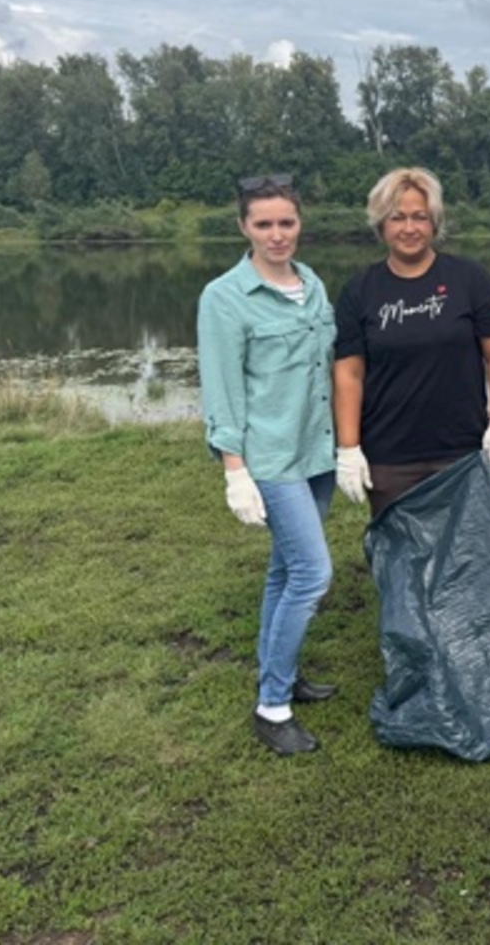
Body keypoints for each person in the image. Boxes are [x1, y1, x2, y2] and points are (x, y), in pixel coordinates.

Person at [197, 174, 339, 756]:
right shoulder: (225, 297)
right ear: (243, 228)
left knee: (284, 571)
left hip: (318, 453)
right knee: (312, 574)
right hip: (271, 459)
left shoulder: (312, 284)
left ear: (299, 224)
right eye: (264, 224)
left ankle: (279, 671)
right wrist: (234, 469)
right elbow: (223, 389)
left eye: (287, 223)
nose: (277, 235)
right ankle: (271, 706)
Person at [331, 168, 490, 518]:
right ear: (381, 224)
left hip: (464, 450)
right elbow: (349, 374)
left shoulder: (469, 279)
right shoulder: (360, 291)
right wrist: (349, 448)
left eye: (420, 217)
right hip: (390, 458)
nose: (409, 228)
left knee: (474, 561)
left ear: (435, 223)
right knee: (403, 564)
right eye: (397, 218)